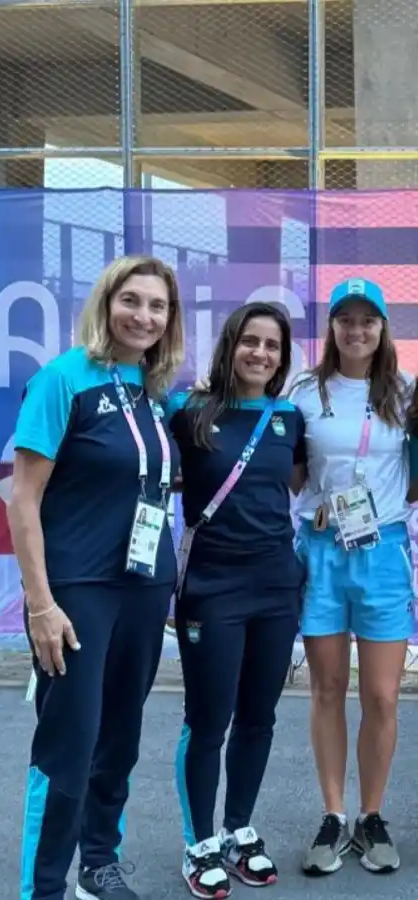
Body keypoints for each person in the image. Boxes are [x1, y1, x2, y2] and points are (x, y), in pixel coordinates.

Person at [7, 255, 184, 900]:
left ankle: (98, 863)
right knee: (69, 740)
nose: (143, 315)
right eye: (131, 300)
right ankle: (43, 886)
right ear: (106, 303)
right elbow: (22, 499)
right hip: (76, 592)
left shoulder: (155, 391)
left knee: (120, 735)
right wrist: (40, 605)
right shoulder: (62, 379)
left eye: (157, 306)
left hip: (142, 589)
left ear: (170, 319)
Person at [166, 302, 307, 898]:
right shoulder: (189, 410)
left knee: (259, 718)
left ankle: (239, 829)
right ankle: (199, 845)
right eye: (250, 341)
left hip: (277, 586)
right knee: (207, 722)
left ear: (283, 357)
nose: (261, 354)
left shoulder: (290, 418)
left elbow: (296, 484)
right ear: (231, 345)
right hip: (212, 590)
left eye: (272, 346)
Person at [290, 278, 414, 877]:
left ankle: (372, 815)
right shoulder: (305, 394)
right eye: (345, 319)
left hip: (383, 550)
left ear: (383, 327)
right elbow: (290, 475)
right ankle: (334, 817)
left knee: (383, 694)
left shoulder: (405, 396)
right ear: (332, 327)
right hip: (321, 552)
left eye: (368, 319)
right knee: (327, 689)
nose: (357, 329)